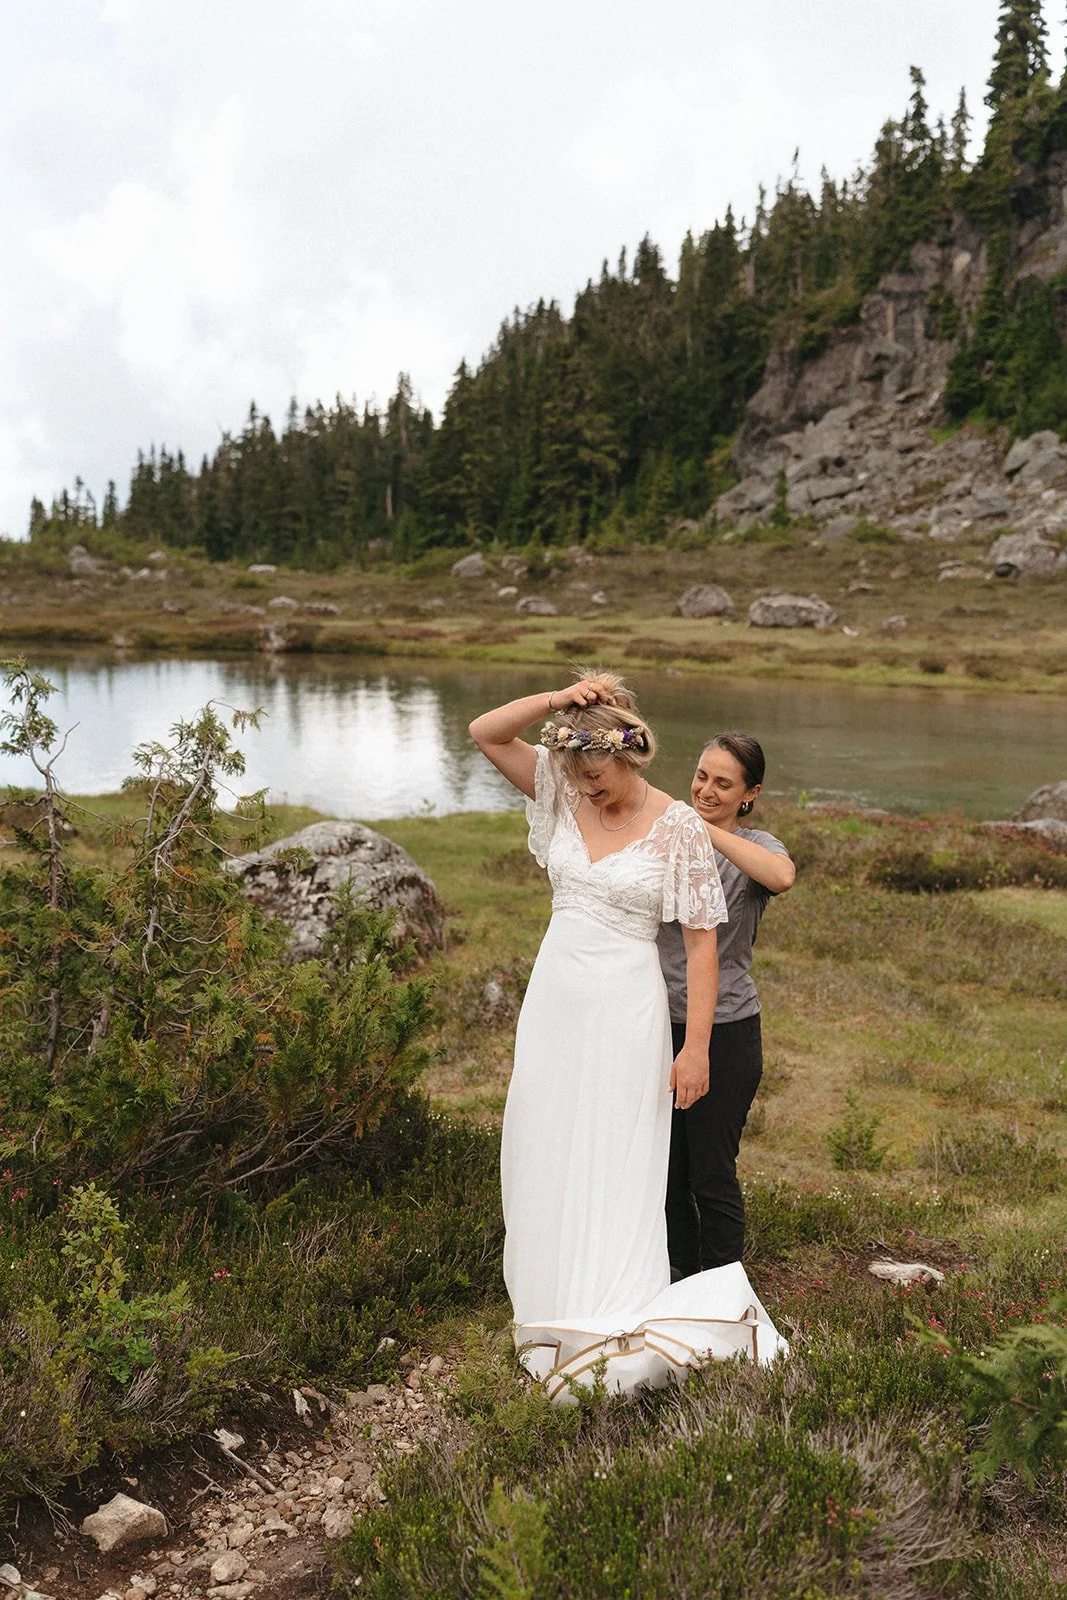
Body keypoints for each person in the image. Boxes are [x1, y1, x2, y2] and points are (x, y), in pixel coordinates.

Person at [469, 675, 786, 1403]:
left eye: (601, 778)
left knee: (617, 1143)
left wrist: (695, 1048)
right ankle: (547, 1287)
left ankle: (615, 1287)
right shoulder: (559, 785)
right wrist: (560, 698)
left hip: (627, 1006)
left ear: (631, 760)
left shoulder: (676, 824)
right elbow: (487, 732)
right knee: (545, 1133)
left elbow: (702, 948)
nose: (591, 792)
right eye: (580, 778)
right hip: (555, 997)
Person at [656, 733, 796, 1279]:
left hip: (726, 1031)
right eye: (701, 776)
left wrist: (707, 832)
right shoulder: (665, 832)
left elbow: (782, 877)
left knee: (709, 1175)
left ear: (749, 793)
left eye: (723, 783)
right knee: (665, 1175)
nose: (705, 789)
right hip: (653, 1026)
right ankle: (677, 1287)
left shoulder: (757, 845)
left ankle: (717, 1299)